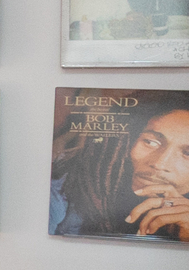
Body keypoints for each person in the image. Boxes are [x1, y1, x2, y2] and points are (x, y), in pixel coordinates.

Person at [52, 99, 189, 242]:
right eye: (150, 142)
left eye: (187, 154)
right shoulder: (63, 190)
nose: (159, 164)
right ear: (126, 142)